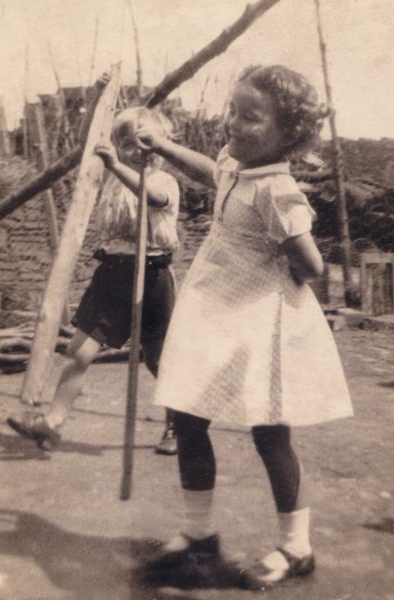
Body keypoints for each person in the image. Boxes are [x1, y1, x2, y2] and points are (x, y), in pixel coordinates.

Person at [134, 64, 353, 587]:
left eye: (250, 117)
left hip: (259, 322)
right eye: (233, 110)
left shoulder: (278, 192)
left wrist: (286, 276)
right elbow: (212, 172)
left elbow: (312, 265)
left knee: (270, 434)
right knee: (186, 416)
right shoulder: (236, 164)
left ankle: (296, 547)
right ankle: (198, 535)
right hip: (214, 314)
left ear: (288, 136)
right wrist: (163, 147)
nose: (232, 123)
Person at [7, 103, 180, 456]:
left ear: (161, 146)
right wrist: (99, 99)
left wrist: (117, 164)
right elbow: (90, 142)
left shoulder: (165, 181)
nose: (135, 151)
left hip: (153, 276)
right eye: (125, 143)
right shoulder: (108, 177)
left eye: (144, 143)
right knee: (79, 351)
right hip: (112, 275)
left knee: (159, 359)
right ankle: (53, 422)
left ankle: (177, 425)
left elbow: (154, 197)